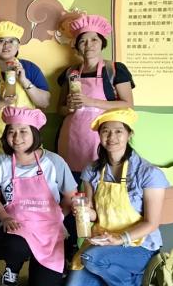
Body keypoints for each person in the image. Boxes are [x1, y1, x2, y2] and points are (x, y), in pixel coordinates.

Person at [64, 109, 169, 286]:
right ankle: (109, 273)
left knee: (92, 258)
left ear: (129, 134)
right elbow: (94, 213)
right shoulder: (92, 170)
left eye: (118, 131)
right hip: (102, 240)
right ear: (99, 135)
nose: (112, 137)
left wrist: (120, 239)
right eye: (105, 131)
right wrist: (83, 211)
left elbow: (152, 223)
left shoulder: (149, 173)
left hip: (138, 245)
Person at [0, 107, 75, 286]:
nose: (16, 137)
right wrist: (5, 217)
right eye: (11, 132)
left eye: (23, 131)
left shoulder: (54, 162)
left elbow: (70, 196)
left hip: (49, 229)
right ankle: (13, 267)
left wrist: (59, 217)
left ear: (34, 133)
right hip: (17, 225)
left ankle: (42, 268)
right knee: (15, 245)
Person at [57, 14, 134, 176]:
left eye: (94, 40)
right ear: (77, 46)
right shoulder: (70, 72)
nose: (88, 45)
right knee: (72, 182)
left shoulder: (114, 70)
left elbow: (128, 104)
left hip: (103, 136)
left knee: (101, 179)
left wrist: (90, 101)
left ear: (102, 43)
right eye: (83, 41)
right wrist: (69, 108)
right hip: (72, 136)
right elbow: (60, 109)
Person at [0, 20, 50, 165]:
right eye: (1, 41)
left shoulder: (30, 68)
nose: (6, 45)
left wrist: (24, 80)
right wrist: (2, 103)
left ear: (18, 45)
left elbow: (45, 102)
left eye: (11, 41)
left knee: (29, 174)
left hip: (28, 139)